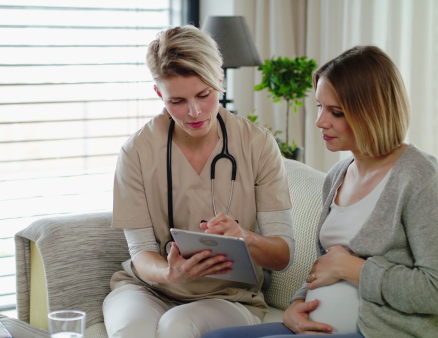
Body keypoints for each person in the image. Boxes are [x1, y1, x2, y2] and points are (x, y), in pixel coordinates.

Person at [202, 45, 438, 338]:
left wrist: (353, 268)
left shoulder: (419, 176)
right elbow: (322, 267)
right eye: (319, 106)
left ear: (373, 112)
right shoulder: (338, 175)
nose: (320, 122)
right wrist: (296, 305)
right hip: (315, 325)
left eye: (336, 112)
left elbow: (435, 290)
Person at [101, 25, 295, 338]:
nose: (194, 112)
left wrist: (247, 238)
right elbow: (141, 252)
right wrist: (168, 272)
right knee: (131, 331)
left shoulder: (257, 144)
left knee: (177, 326)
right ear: (159, 94)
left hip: (229, 297)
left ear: (220, 80)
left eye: (204, 95)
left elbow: (282, 256)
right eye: (176, 101)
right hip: (148, 290)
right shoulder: (137, 151)